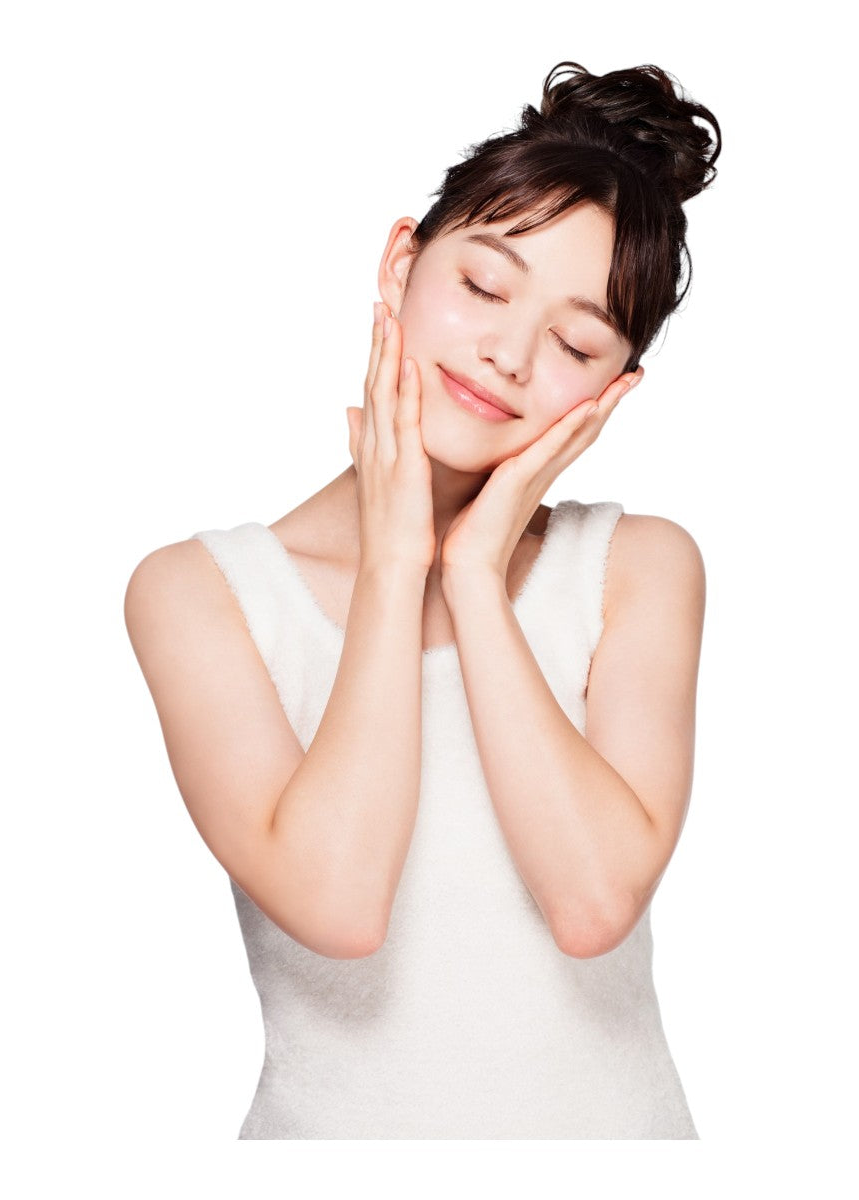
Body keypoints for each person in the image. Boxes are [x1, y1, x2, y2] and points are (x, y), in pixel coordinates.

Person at [125, 61, 721, 1139]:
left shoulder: (636, 569)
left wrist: (476, 574)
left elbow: (592, 904)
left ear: (615, 388)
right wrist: (396, 563)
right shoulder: (203, 595)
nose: (508, 354)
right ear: (402, 262)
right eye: (485, 288)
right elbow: (339, 904)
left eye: (576, 343)